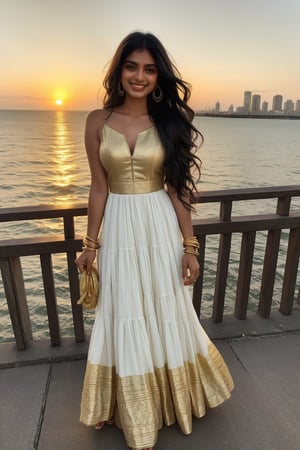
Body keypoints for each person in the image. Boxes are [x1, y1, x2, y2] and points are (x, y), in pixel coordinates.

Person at [75, 31, 234, 450]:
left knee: (167, 309)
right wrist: (90, 245)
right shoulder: (97, 121)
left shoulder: (169, 122)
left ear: (158, 75)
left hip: (159, 227)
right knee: (123, 308)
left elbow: (178, 190)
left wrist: (189, 246)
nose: (139, 77)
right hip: (121, 228)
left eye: (148, 69)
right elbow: (98, 188)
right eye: (132, 67)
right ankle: (124, 405)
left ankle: (176, 398)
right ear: (119, 69)